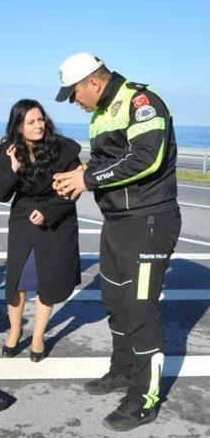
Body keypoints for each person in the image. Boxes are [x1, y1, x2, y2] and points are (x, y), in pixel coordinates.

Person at [53, 52, 180, 432]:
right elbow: (106, 161)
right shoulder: (99, 114)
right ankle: (123, 371)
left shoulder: (141, 101)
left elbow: (147, 158)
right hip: (117, 223)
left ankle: (145, 398)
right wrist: (80, 173)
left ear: (93, 82)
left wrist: (87, 180)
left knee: (140, 311)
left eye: (74, 93)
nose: (73, 101)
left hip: (149, 222)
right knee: (115, 302)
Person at [0, 99, 81, 362]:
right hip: (22, 219)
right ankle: (15, 329)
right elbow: (0, 193)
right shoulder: (7, 150)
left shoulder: (62, 149)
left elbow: (74, 188)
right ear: (19, 127)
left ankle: (39, 335)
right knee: (17, 280)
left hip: (56, 217)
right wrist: (14, 168)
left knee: (47, 281)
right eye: (31, 122)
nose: (38, 125)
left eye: (40, 119)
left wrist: (49, 211)